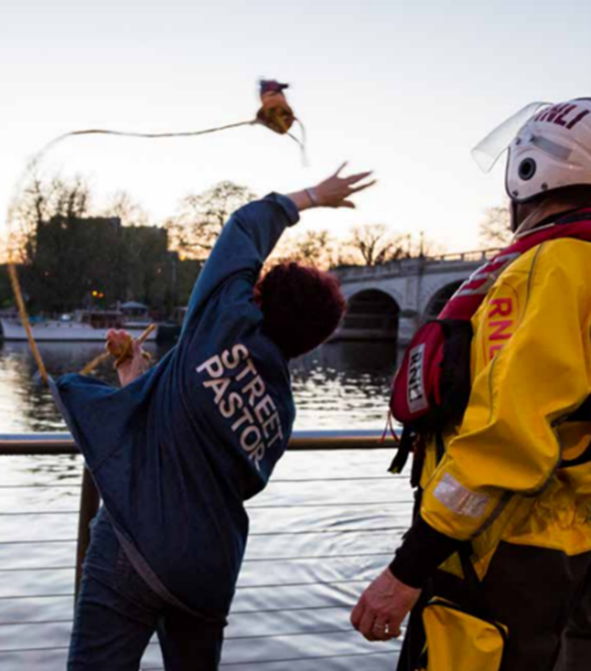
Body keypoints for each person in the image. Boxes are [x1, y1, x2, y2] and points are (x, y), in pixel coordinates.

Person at [53, 164, 374, 671]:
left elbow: (245, 225)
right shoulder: (279, 411)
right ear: (310, 341)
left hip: (134, 548)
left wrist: (312, 196)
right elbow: (200, 455)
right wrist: (137, 376)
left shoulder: (224, 318)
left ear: (257, 296)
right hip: (207, 572)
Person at [351, 97, 591, 671]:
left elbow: (506, 438)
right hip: (567, 545)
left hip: (501, 557)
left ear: (529, 171)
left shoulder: (553, 265)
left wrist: (408, 567)